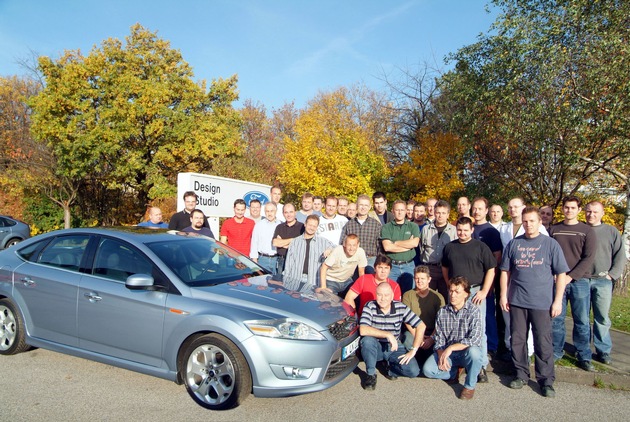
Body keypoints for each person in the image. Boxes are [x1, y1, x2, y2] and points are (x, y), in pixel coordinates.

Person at [500, 206, 569, 398]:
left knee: (543, 341)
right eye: (525, 221)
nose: (528, 224)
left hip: (542, 302)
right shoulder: (514, 244)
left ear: (540, 222)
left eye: (532, 221)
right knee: (518, 339)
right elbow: (505, 272)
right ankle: (521, 374)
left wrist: (557, 301)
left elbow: (561, 274)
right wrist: (504, 295)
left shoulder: (550, 245)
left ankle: (546, 380)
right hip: (517, 301)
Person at [441, 216, 496, 383]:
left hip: (475, 292)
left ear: (472, 230)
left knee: (479, 330)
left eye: (466, 230)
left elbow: (491, 269)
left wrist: (484, 291)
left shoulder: (481, 247)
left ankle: (480, 367)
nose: (462, 233)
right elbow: (445, 268)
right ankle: (458, 361)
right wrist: (451, 287)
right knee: (455, 328)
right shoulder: (450, 247)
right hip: (456, 292)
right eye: (459, 230)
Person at [550, 196, 597, 371]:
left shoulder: (587, 231)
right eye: (566, 207)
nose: (569, 210)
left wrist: (571, 276)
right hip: (556, 280)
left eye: (572, 208)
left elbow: (588, 257)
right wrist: (555, 274)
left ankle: (584, 354)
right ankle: (556, 351)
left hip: (580, 281)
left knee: (582, 320)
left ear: (579, 210)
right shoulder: (554, 229)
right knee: (556, 318)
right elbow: (548, 253)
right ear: (562, 209)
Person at [499, 197, 548, 357]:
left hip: (531, 277)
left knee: (528, 319)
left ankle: (529, 351)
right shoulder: (504, 228)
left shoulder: (538, 228)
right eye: (510, 207)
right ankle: (510, 347)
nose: (513, 210)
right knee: (509, 314)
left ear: (523, 207)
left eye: (516, 206)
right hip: (510, 275)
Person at [423, 276, 484, 400]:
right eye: (451, 291)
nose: (453, 295)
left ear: (466, 294)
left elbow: (475, 339)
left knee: (475, 353)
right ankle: (454, 372)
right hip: (448, 353)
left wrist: (451, 348)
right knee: (428, 370)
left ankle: (469, 386)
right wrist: (441, 355)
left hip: (466, 352)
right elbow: (439, 338)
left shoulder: (474, 312)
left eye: (457, 292)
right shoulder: (442, 312)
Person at [360, 282, 427, 390]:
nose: (383, 298)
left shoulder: (401, 307)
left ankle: (389, 368)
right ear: (376, 295)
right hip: (375, 346)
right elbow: (363, 329)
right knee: (367, 341)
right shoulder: (370, 306)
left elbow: (421, 326)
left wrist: (413, 350)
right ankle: (371, 374)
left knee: (413, 371)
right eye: (379, 294)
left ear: (392, 296)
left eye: (386, 295)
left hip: (394, 347)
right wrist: (387, 334)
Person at [585, 201, 626, 365]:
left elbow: (620, 256)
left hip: (602, 281)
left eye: (595, 212)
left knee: (601, 318)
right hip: (581, 280)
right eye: (588, 211)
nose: (591, 215)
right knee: (581, 318)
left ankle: (603, 350)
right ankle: (584, 348)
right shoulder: (581, 229)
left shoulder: (611, 231)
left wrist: (612, 275)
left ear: (602, 213)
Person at [471, 197, 503, 357]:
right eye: (474, 208)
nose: (476, 211)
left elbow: (497, 257)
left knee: (488, 313)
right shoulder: (468, 228)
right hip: (469, 279)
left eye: (480, 209)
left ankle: (491, 345)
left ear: (486, 210)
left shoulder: (491, 232)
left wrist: (488, 283)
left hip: (485, 279)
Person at [402, 265, 445, 366]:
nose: (419, 281)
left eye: (422, 278)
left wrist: (431, 338)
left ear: (429, 279)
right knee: (407, 340)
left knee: (438, 345)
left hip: (432, 332)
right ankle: (412, 361)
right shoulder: (408, 295)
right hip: (414, 330)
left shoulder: (437, 297)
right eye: (417, 278)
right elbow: (406, 319)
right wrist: (419, 337)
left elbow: (441, 321)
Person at [282, 215, 333, 292]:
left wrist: (330, 249)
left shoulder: (323, 242)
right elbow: (289, 263)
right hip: (295, 279)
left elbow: (337, 248)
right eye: (310, 225)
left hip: (313, 281)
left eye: (314, 226)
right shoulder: (295, 242)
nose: (311, 228)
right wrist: (285, 279)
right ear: (305, 224)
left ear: (317, 227)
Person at [418, 200, 457, 300]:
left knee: (444, 299)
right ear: (434, 213)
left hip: (446, 270)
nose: (440, 215)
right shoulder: (426, 229)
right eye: (438, 212)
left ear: (448, 214)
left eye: (443, 213)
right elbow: (421, 248)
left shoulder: (453, 231)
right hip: (429, 269)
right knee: (426, 299)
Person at [381, 200, 420, 294]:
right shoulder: (386, 227)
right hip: (392, 267)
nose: (399, 212)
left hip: (409, 266)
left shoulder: (413, 226)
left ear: (406, 211)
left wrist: (396, 242)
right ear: (392, 211)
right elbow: (387, 247)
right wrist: (408, 246)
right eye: (397, 210)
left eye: (402, 210)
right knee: (391, 294)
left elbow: (414, 243)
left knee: (409, 294)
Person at [340, 194, 382, 270]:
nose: (363, 207)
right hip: (352, 260)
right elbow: (342, 243)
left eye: (366, 205)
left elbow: (380, 246)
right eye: (361, 205)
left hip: (370, 260)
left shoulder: (376, 225)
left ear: (370, 207)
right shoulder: (349, 224)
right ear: (357, 206)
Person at [272, 203, 304, 274]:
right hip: (282, 261)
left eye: (291, 212)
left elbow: (302, 245)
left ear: (295, 212)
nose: (289, 215)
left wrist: (282, 243)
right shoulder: (279, 227)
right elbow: (275, 242)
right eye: (286, 212)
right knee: (281, 283)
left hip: (297, 261)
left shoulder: (302, 227)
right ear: (283, 214)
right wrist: (292, 240)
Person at [250, 202, 281, 274]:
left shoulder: (280, 225)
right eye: (267, 211)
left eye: (271, 211)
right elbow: (254, 243)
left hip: (276, 260)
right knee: (262, 284)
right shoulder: (259, 225)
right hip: (262, 259)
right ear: (264, 212)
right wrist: (255, 263)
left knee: (276, 284)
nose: (269, 213)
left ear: (276, 211)